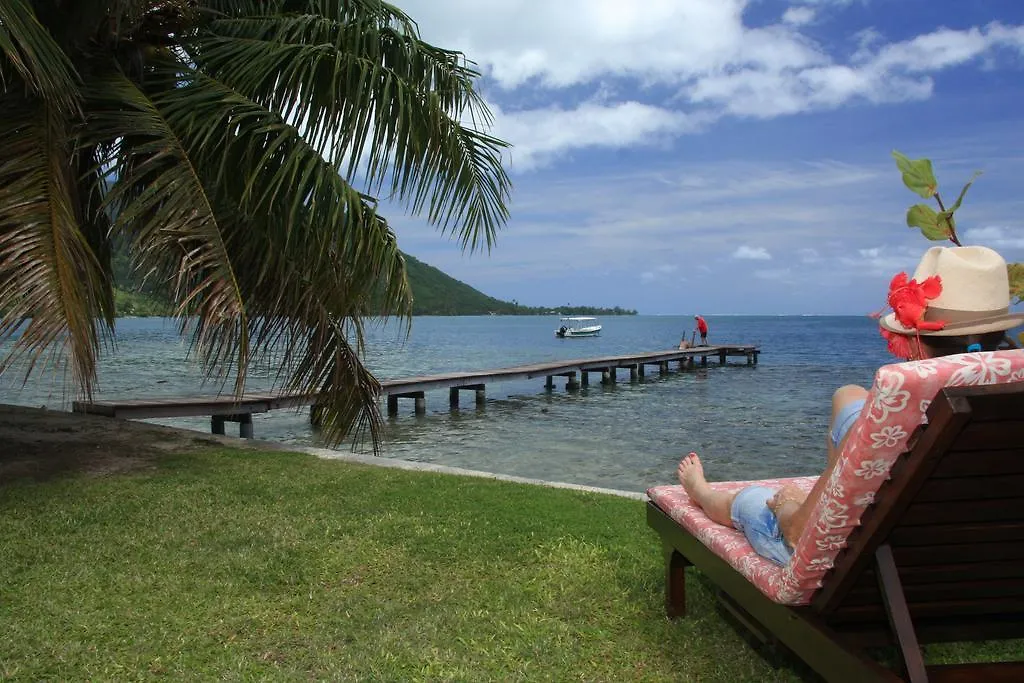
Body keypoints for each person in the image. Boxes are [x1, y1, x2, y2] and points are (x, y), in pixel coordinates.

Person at [676, 245, 1024, 566]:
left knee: (753, 499)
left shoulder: (905, 411)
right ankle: (833, 491)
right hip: (966, 554)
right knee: (849, 394)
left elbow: (797, 535)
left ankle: (703, 493)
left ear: (917, 344)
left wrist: (787, 504)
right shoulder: (1002, 403)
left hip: (866, 563)